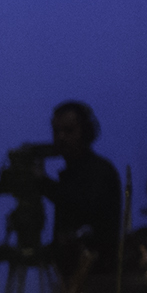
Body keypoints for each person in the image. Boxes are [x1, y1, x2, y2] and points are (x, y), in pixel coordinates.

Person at [42, 100, 120, 280]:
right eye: (56, 131)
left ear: (86, 132)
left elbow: (83, 206)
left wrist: (45, 185)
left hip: (98, 277)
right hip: (71, 274)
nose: (61, 137)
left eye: (68, 130)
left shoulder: (100, 172)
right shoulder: (70, 175)